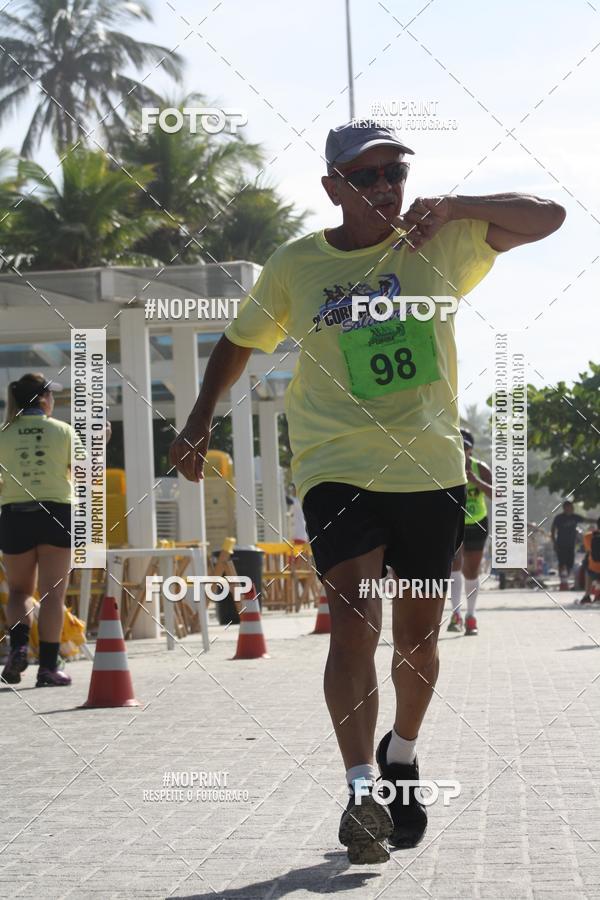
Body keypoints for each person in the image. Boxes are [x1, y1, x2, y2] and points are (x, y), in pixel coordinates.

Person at [169, 120, 565, 864]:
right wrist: (198, 421)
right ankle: (360, 793)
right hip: (336, 466)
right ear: (333, 187)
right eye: (367, 176)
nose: (385, 188)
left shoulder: (442, 241)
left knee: (417, 642)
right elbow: (240, 340)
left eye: (395, 174)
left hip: (430, 471)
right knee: (354, 621)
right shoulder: (297, 265)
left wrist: (451, 204)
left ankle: (402, 756)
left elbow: (550, 215)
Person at [1, 374, 76, 687]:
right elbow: (85, 470)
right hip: (56, 512)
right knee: (52, 595)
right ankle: (48, 668)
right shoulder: (63, 431)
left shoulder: (4, 434)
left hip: (14, 514)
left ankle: (18, 645)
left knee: (19, 592)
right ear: (45, 399)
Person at [447, 429, 493, 635]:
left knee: (471, 572)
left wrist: (475, 481)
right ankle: (456, 614)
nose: (462, 451)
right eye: (459, 446)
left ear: (471, 450)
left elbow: (498, 494)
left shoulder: (480, 468)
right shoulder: (447, 467)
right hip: (456, 522)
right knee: (455, 567)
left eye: (466, 447)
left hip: (478, 523)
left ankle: (471, 616)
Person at [551, 501, 590, 589]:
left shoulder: (575, 517)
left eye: (572, 508)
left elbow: (586, 520)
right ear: (564, 508)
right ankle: (563, 581)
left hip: (571, 545)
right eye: (569, 507)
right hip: (560, 544)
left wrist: (597, 521)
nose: (571, 509)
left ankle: (566, 577)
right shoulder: (559, 518)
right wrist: (554, 543)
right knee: (561, 562)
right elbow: (553, 530)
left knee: (570, 563)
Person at [579, 517, 600, 604]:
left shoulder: (588, 536)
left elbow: (588, 550)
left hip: (593, 569)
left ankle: (587, 595)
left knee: (587, 562)